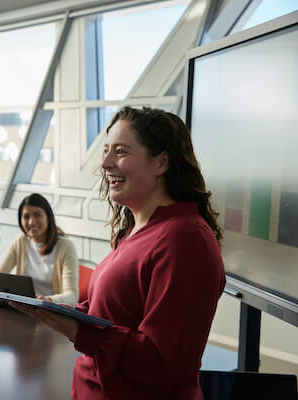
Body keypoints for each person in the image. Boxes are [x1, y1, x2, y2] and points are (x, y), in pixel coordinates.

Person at [12, 106, 225, 399]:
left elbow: (162, 363)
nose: (106, 163)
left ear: (161, 162)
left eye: (121, 152)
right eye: (106, 151)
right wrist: (64, 312)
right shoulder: (138, 229)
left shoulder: (185, 239)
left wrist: (78, 330)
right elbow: (114, 313)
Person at [0, 193, 79, 306]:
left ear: (48, 217)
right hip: (24, 309)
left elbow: (72, 296)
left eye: (37, 215)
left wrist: (48, 300)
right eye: (26, 216)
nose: (31, 222)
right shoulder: (20, 242)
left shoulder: (66, 247)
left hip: (50, 312)